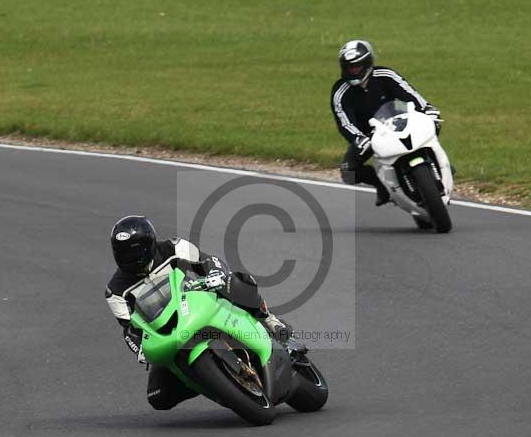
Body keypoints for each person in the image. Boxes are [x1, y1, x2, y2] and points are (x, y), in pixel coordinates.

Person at [104, 215, 304, 410]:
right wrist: (140, 349)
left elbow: (207, 260)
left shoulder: (172, 248)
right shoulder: (115, 291)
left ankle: (270, 321)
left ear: (149, 245)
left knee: (234, 281)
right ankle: (209, 380)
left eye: (133, 252)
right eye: (122, 254)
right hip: (167, 331)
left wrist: (215, 273)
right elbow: (129, 329)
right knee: (158, 397)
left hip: (196, 299)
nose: (128, 259)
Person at [330, 39, 443, 206]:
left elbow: (409, 93)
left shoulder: (385, 75)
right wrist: (358, 138)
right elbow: (344, 121)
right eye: (349, 67)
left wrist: (427, 109)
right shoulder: (340, 91)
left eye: (357, 67)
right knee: (348, 172)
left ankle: (440, 165)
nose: (353, 71)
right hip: (369, 136)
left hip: (399, 121)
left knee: (433, 126)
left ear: (367, 63)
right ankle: (381, 185)